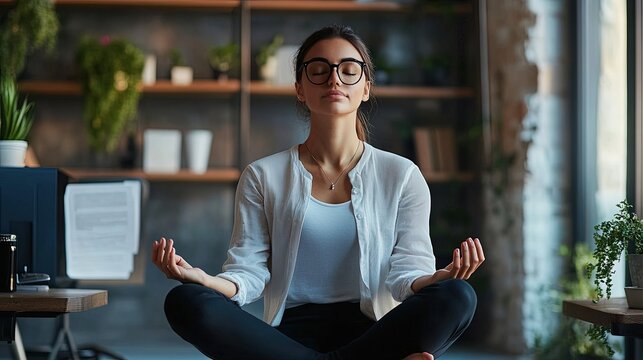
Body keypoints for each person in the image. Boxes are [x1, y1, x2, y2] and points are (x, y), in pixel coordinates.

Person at [152, 25, 484, 360]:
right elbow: (248, 273)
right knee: (187, 301)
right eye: (319, 70)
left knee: (458, 296)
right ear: (299, 87)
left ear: (366, 87)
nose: (334, 79)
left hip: (375, 333)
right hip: (289, 338)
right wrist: (205, 281)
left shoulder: (402, 175)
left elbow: (406, 275)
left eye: (349, 70)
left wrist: (438, 278)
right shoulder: (262, 176)